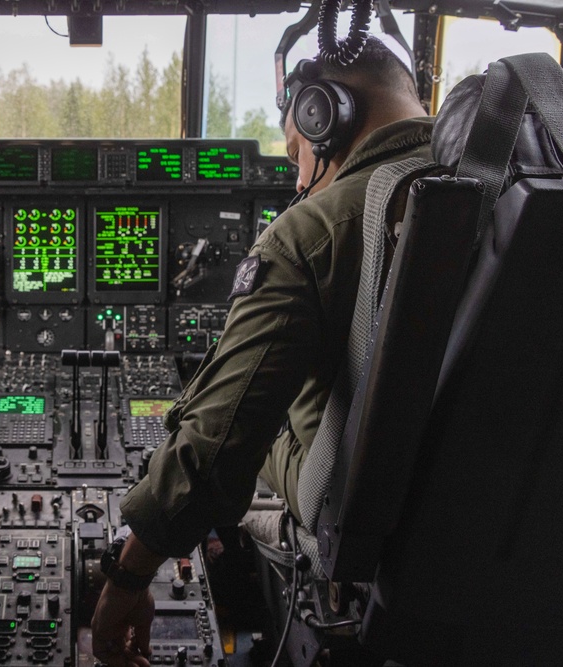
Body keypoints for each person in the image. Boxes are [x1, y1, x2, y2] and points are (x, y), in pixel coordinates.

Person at [91, 36, 432, 667]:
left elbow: (216, 453)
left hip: (360, 519)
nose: (300, 176)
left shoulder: (312, 234)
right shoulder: (535, 192)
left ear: (322, 116)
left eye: (296, 151)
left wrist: (127, 575)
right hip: (523, 553)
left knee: (247, 428)